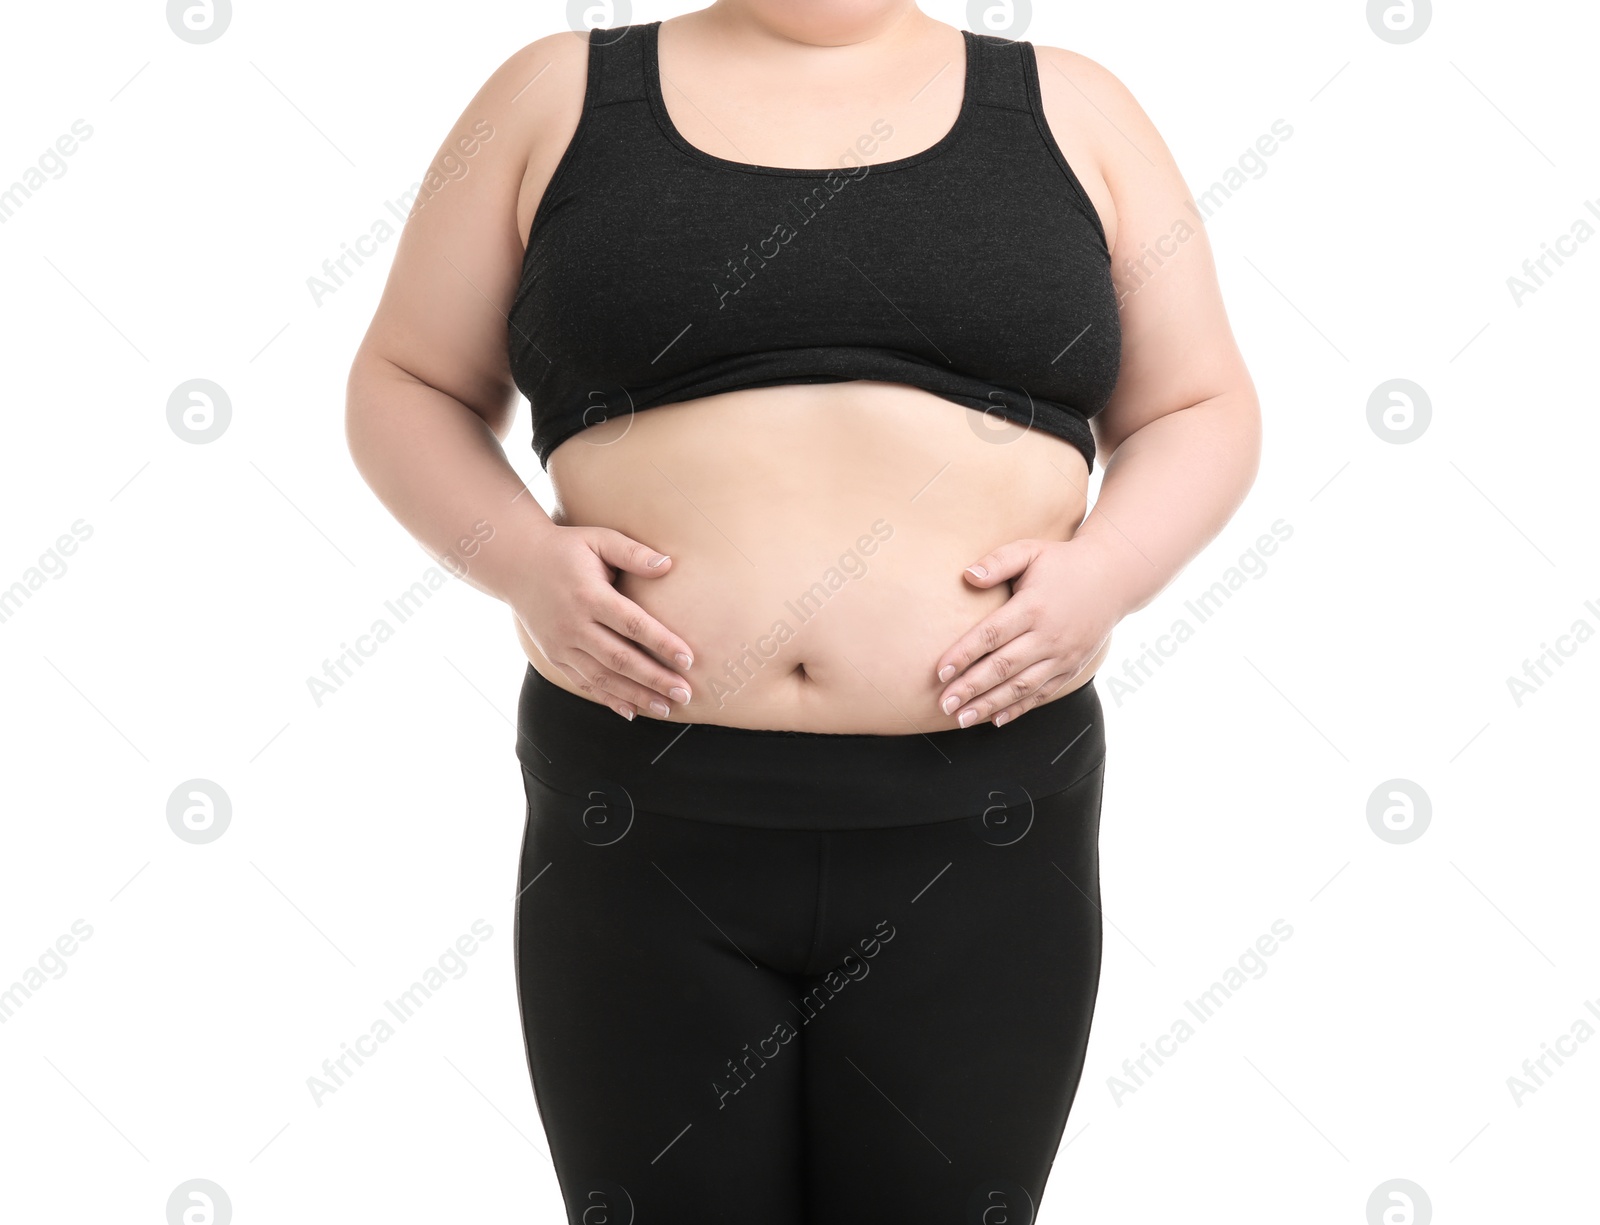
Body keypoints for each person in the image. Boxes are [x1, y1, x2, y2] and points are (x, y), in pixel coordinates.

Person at [346, 2, 1260, 1220]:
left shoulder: (1074, 107)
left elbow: (1198, 404)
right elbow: (405, 381)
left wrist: (1108, 572)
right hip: (641, 817)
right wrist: (517, 559)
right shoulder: (554, 97)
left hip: (983, 830)